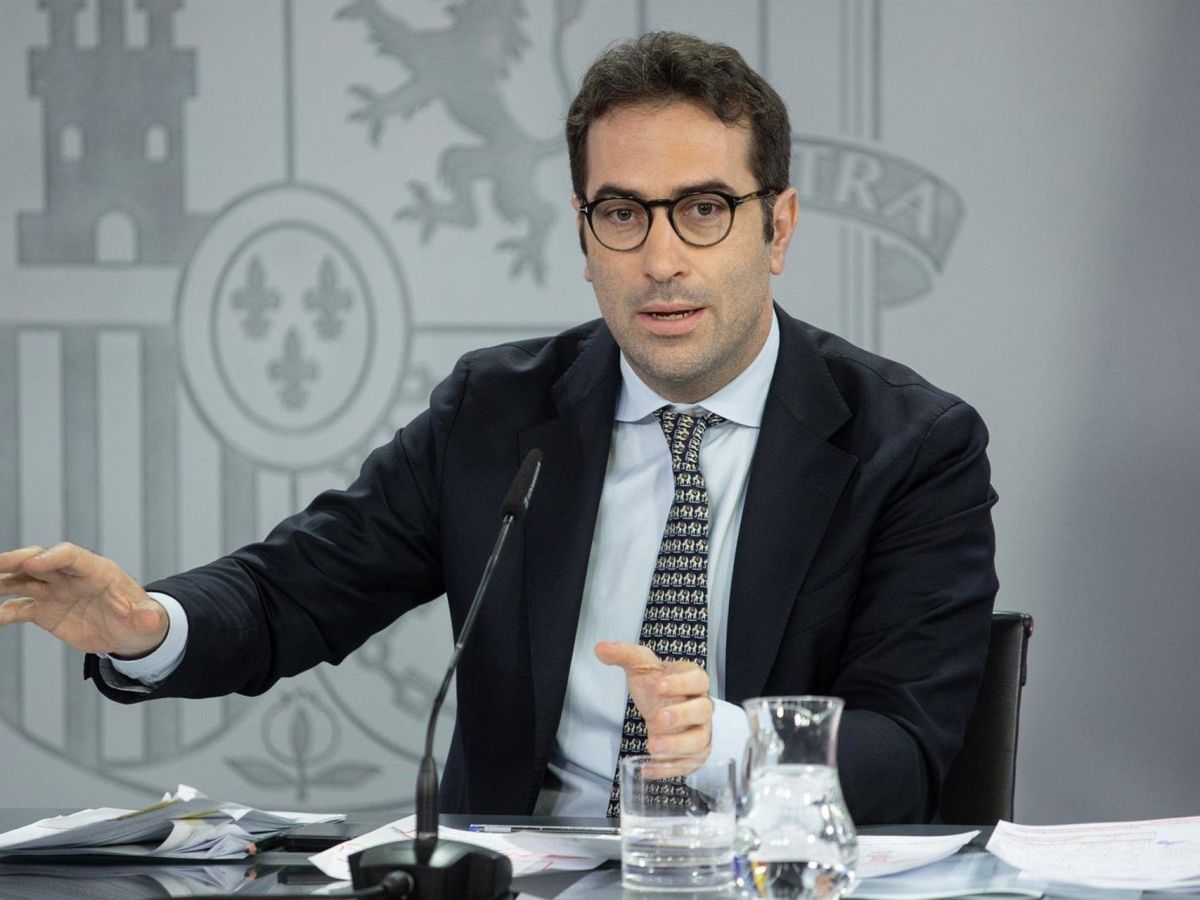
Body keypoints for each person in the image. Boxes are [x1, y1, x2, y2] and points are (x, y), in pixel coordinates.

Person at [0, 32, 997, 824]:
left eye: (702, 209)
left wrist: (727, 744)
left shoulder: (910, 448)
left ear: (777, 228)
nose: (660, 259)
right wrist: (148, 628)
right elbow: (292, 592)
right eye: (622, 214)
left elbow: (908, 753)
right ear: (583, 233)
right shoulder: (497, 413)